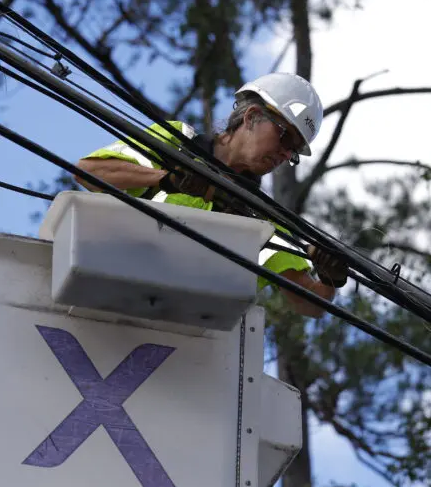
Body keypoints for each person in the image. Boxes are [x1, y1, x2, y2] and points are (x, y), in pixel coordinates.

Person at [75, 72, 348, 318]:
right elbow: (89, 171)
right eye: (285, 138)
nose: (286, 154)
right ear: (252, 116)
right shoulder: (179, 143)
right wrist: (166, 180)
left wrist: (329, 278)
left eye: (294, 152)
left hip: (179, 328)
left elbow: (311, 303)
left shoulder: (261, 217)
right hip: (109, 291)